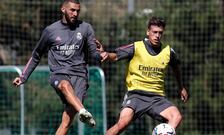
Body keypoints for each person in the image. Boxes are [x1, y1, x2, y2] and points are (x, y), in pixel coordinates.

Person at [12, 0, 107, 134]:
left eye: (77, 11)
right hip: (59, 73)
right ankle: (82, 111)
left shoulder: (86, 28)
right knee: (64, 85)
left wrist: (101, 54)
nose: (75, 13)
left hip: (80, 76)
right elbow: (36, 55)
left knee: (66, 122)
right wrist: (23, 77)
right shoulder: (50, 30)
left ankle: (81, 111)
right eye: (72, 10)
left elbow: (94, 55)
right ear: (63, 9)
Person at [96, 16, 189, 135]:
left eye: (160, 33)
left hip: (157, 98)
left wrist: (181, 87)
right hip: (136, 95)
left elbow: (176, 67)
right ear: (148, 32)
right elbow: (116, 55)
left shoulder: (168, 52)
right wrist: (106, 54)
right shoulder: (137, 47)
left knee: (176, 116)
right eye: (154, 32)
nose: (157, 35)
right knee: (122, 124)